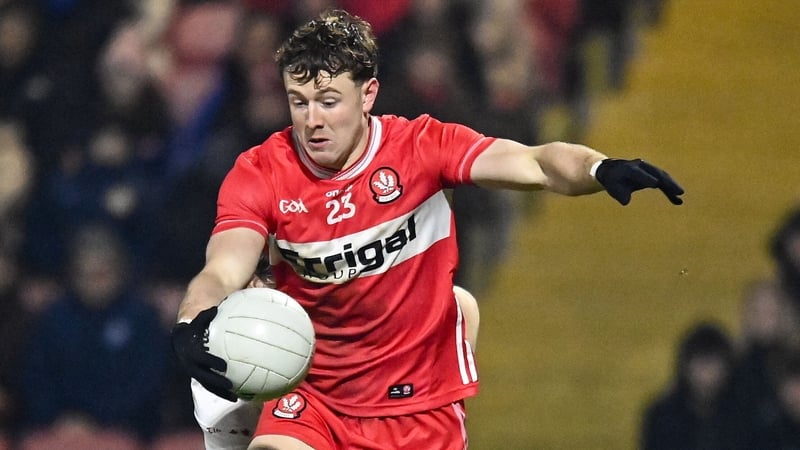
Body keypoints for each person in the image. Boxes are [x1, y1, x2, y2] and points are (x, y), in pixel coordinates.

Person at [170, 9, 683, 450]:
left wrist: (599, 169)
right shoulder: (262, 170)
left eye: (328, 101)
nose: (311, 121)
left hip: (418, 401)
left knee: (462, 305)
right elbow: (224, 267)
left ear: (368, 94)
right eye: (298, 101)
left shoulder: (421, 147)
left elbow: (538, 164)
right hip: (315, 391)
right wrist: (192, 320)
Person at [639, 322, 753, 450]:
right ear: (686, 368)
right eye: (701, 365)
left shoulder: (743, 414)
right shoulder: (663, 416)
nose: (707, 375)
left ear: (727, 369)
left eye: (713, 365)